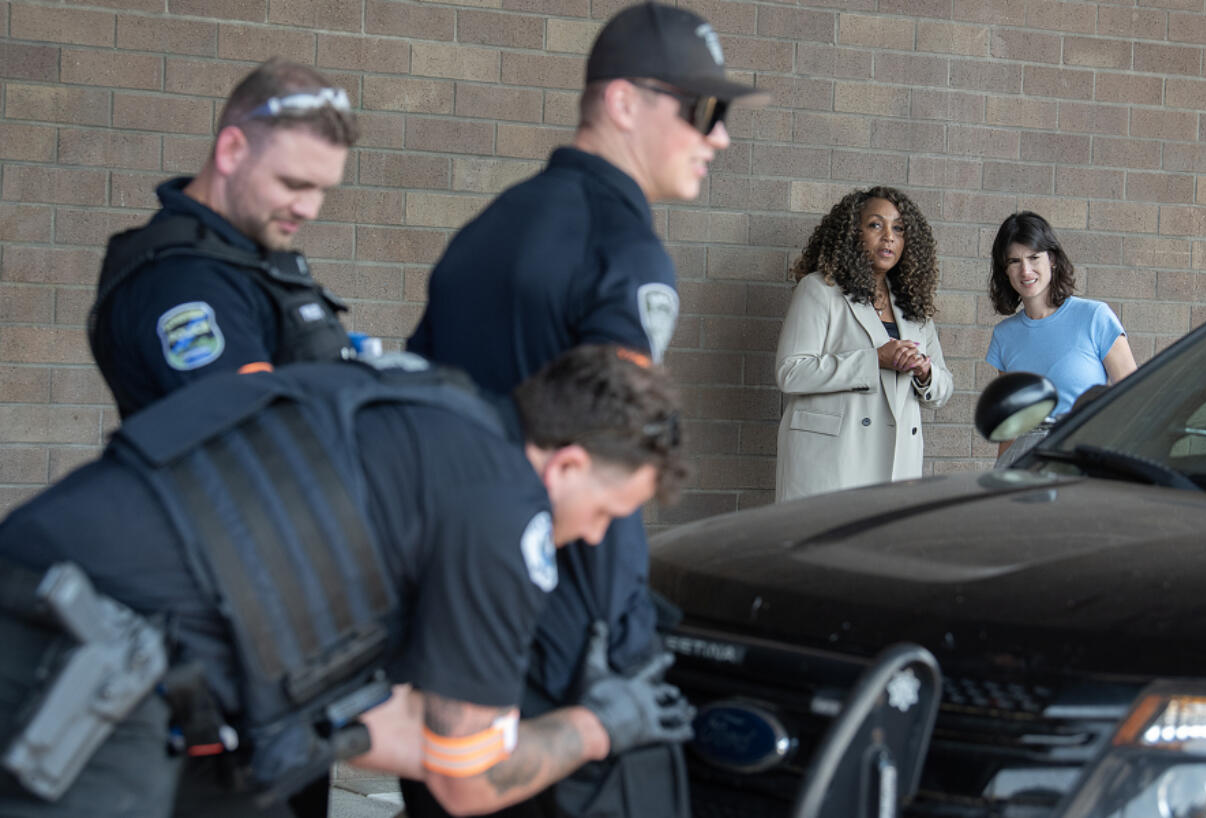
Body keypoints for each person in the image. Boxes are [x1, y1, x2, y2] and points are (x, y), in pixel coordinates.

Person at [0, 345, 693, 818]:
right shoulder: (506, 511)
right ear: (567, 466)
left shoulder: (426, 412)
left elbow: (380, 721)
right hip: (80, 658)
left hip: (65, 603)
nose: (598, 536)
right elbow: (467, 780)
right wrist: (599, 726)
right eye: (608, 511)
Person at [403, 4, 764, 816]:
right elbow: (616, 453)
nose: (720, 136)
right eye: (702, 110)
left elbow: (425, 420)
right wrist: (613, 651)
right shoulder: (624, 249)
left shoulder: (485, 231)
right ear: (623, 103)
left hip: (461, 627)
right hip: (572, 653)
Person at [88, 58, 359, 420]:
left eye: (322, 190)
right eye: (294, 184)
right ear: (231, 151)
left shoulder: (241, 258)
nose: (309, 209)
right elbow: (256, 442)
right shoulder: (185, 284)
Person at [774, 186, 953, 502]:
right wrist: (874, 360)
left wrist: (925, 373)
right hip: (834, 461)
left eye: (898, 228)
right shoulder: (819, 290)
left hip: (896, 463)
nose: (888, 237)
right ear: (852, 234)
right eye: (875, 225)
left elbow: (942, 389)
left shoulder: (913, 306)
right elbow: (791, 372)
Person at [986, 211, 1138, 466]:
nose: (1026, 270)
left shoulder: (1094, 317)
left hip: (1084, 458)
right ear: (1005, 271)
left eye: (1034, 257)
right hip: (1027, 466)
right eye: (1014, 261)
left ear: (1052, 259)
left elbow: (1134, 397)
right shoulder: (1004, 336)